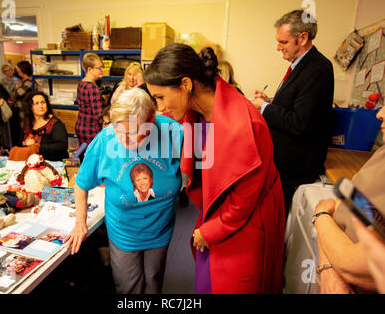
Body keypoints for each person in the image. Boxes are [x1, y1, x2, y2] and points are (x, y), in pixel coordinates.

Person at [144, 43, 285, 294]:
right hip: (219, 213)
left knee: (233, 283)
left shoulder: (244, 124)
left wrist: (210, 230)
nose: (161, 107)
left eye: (161, 97)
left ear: (186, 84)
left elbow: (244, 200)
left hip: (245, 221)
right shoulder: (198, 112)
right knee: (207, 278)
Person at [64, 87, 183, 294]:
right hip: (124, 230)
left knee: (154, 281)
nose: (124, 140)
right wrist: (80, 223)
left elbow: (204, 174)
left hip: (161, 226)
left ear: (152, 119)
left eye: (134, 133)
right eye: (119, 131)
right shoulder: (105, 140)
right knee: (128, 286)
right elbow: (81, 183)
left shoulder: (174, 133)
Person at [252, 9, 334, 217]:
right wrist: (270, 101)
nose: (278, 47)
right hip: (282, 163)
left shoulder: (318, 68)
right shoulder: (299, 66)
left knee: (281, 222)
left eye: (284, 42)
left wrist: (263, 107)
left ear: (303, 38)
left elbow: (300, 122)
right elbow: (296, 105)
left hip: (296, 169)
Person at [313, 106, 385, 294]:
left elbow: (363, 266)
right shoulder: (382, 154)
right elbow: (342, 206)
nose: (380, 114)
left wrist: (320, 217)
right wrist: (328, 267)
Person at [9, 90, 68, 162]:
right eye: (36, 103)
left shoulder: (56, 124)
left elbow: (62, 146)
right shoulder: (28, 122)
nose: (41, 106)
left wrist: (37, 146)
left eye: (43, 102)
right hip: (30, 162)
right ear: (30, 107)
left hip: (51, 162)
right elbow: (21, 144)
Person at [74, 53, 105, 148]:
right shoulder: (92, 88)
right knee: (95, 159)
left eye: (102, 67)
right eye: (99, 68)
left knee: (86, 157)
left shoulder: (81, 83)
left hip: (81, 127)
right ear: (89, 70)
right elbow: (99, 115)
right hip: (92, 130)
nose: (102, 70)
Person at [11, 60, 36, 146]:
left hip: (25, 112)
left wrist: (16, 87)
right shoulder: (22, 81)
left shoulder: (29, 82)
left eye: (18, 68)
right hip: (21, 111)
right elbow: (13, 94)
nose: (17, 70)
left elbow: (18, 93)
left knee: (25, 131)